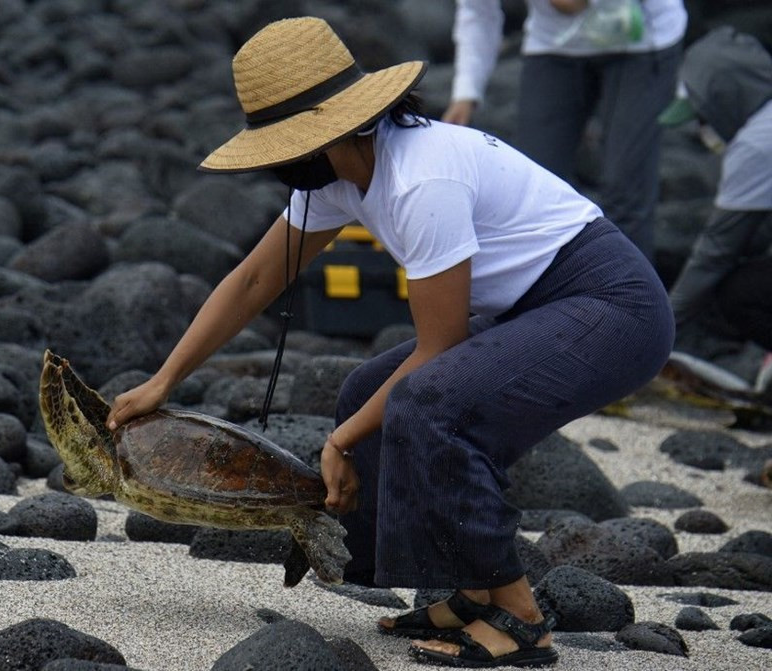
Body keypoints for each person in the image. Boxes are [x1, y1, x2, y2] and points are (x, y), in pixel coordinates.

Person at [105, 17, 675, 668]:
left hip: (613, 307)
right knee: (362, 391)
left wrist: (340, 440)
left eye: (284, 148)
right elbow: (257, 277)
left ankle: (519, 616)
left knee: (429, 402)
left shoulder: (419, 181)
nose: (280, 166)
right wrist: (165, 378)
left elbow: (439, 350)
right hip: (541, 304)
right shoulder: (344, 172)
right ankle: (466, 591)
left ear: (327, 134)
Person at [444, 0, 687, 264]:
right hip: (553, 44)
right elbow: (478, 11)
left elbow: (571, 4)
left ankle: (631, 300)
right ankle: (551, 298)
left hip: (643, 37)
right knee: (531, 192)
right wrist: (466, 93)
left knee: (626, 192)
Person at [660, 26, 772, 377]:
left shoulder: (756, 144)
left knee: (739, 291)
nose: (702, 130)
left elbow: (714, 254)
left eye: (703, 117)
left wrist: (652, 330)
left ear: (726, 98)